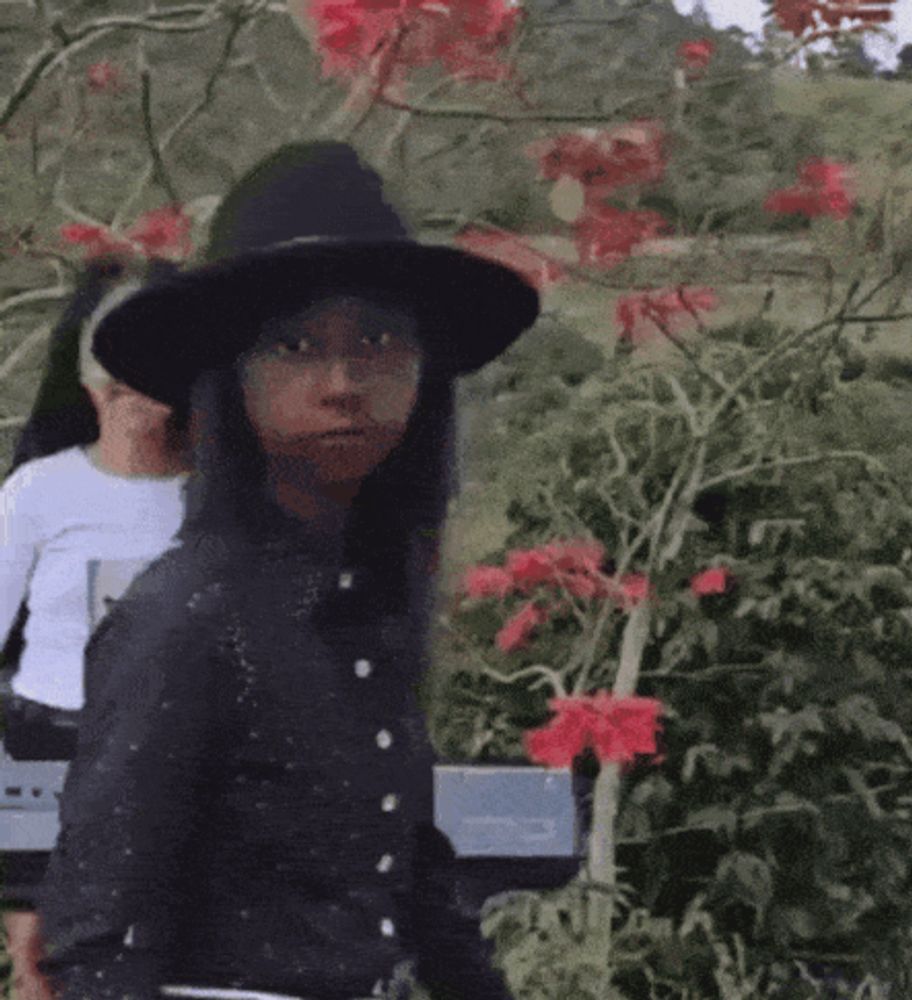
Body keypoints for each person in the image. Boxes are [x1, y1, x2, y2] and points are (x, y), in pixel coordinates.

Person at [36, 141, 542, 1000]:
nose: (345, 382)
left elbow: (411, 880)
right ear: (232, 381)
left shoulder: (371, 606)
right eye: (296, 346)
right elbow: (101, 932)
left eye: (379, 340)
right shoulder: (187, 620)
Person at [0, 257, 192, 1000]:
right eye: (114, 380)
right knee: (45, 965)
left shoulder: (226, 499)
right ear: (88, 387)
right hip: (49, 746)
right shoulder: (39, 491)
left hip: (178, 751)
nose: (132, 401)